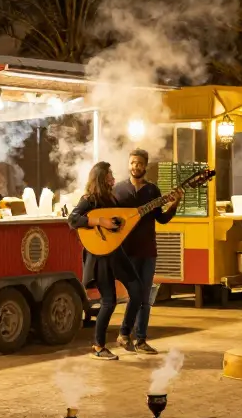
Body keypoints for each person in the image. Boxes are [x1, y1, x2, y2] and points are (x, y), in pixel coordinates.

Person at [68, 162, 142, 360]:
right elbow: (73, 219)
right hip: (99, 256)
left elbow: (118, 223)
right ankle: (98, 346)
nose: (113, 177)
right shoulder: (89, 200)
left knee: (137, 291)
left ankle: (124, 334)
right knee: (108, 301)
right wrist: (100, 222)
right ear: (101, 177)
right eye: (109, 174)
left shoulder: (112, 199)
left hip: (116, 253)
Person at [112, 149, 183, 354]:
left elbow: (162, 219)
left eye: (140, 163)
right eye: (133, 162)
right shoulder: (118, 190)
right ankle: (124, 333)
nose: (136, 166)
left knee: (145, 297)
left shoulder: (153, 191)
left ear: (145, 166)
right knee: (133, 295)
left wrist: (175, 202)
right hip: (126, 251)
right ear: (129, 164)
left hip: (148, 251)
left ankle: (140, 339)